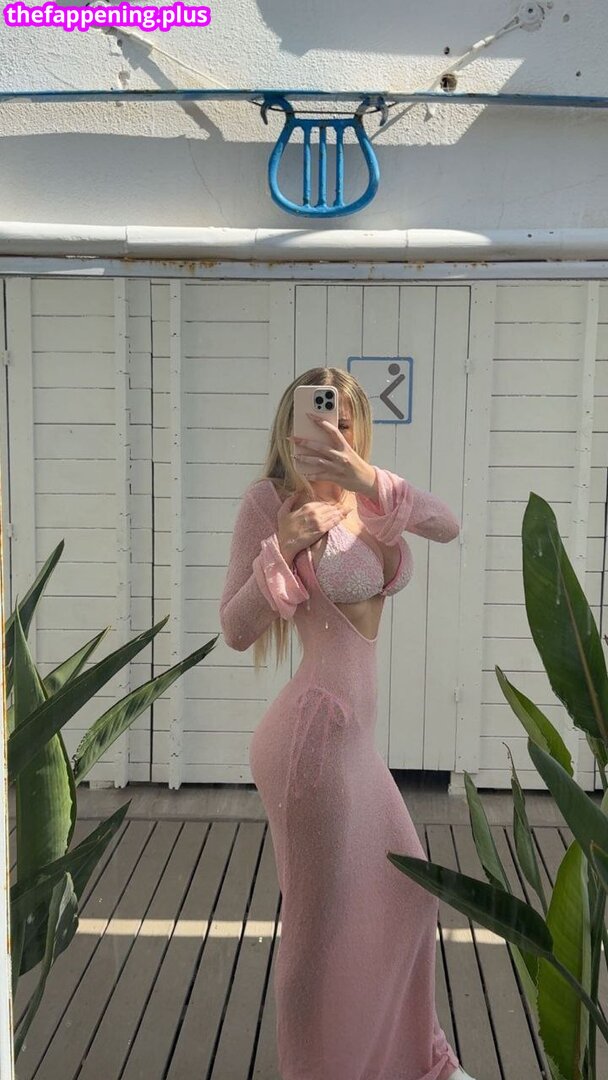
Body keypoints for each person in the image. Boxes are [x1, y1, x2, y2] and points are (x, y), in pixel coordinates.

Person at [219, 369, 476, 1080]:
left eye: (343, 414)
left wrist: (367, 479)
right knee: (316, 933)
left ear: (358, 424)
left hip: (353, 742)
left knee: (408, 895)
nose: (329, 424)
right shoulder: (269, 501)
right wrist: (280, 548)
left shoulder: (372, 497)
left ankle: (411, 1061)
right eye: (314, 412)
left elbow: (448, 525)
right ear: (290, 423)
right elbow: (235, 629)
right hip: (313, 740)